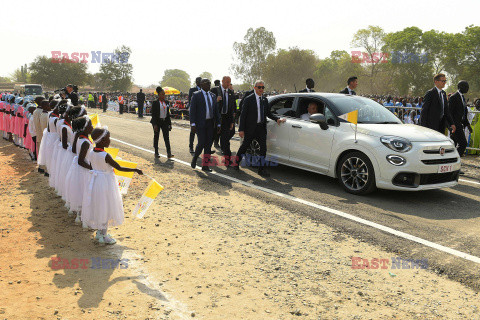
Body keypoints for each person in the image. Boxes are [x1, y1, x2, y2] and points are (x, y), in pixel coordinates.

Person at [81, 127, 143, 245]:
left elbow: (93, 165)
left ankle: (100, 232)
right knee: (106, 206)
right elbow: (119, 167)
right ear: (103, 140)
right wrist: (135, 170)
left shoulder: (91, 152)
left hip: (95, 181)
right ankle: (104, 236)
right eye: (108, 138)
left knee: (99, 206)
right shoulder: (105, 155)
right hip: (106, 182)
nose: (110, 140)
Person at [234, 80, 286, 177]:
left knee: (263, 149)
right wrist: (241, 129)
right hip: (250, 128)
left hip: (261, 128)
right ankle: (236, 163)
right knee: (244, 146)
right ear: (255, 88)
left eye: (263, 87)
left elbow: (268, 113)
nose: (261, 89)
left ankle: (261, 169)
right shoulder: (248, 99)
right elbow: (243, 115)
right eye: (259, 87)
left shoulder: (264, 100)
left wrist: (277, 119)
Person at [64, 115, 94, 225]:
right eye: (90, 125)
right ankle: (84, 217)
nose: (92, 127)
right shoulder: (85, 142)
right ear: (85, 128)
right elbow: (81, 160)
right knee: (85, 191)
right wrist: (92, 167)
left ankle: (80, 215)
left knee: (81, 191)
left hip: (79, 169)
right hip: (84, 170)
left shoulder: (80, 138)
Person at [189, 78, 221, 172]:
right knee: (202, 142)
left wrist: (218, 123)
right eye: (207, 83)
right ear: (202, 84)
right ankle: (195, 158)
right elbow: (192, 111)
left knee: (208, 145)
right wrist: (193, 124)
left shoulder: (213, 95)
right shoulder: (196, 95)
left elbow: (216, 111)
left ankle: (205, 166)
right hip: (200, 123)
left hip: (210, 123)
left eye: (210, 83)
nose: (209, 85)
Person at [449, 80, 472, 157]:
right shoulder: (454, 97)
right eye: (465, 87)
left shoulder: (462, 98)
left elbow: (464, 114)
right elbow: (449, 113)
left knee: (453, 144)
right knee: (463, 143)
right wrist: (451, 125)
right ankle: (455, 158)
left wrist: (468, 125)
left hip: (460, 124)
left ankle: (450, 159)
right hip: (455, 125)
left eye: (468, 87)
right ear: (459, 87)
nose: (467, 89)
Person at [215, 76, 236, 158]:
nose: (228, 84)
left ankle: (227, 158)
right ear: (222, 81)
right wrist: (215, 101)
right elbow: (209, 104)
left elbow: (232, 109)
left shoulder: (231, 92)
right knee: (210, 138)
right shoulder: (215, 90)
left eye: (229, 82)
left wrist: (232, 122)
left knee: (226, 139)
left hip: (226, 119)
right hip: (216, 119)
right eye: (227, 82)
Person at [150, 86, 174, 159]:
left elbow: (167, 114)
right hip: (157, 122)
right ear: (159, 95)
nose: (164, 95)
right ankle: (156, 152)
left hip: (165, 122)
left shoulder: (166, 102)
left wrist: (169, 124)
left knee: (166, 137)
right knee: (156, 137)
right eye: (162, 94)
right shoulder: (155, 103)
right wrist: (154, 125)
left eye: (164, 94)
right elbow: (153, 114)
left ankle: (169, 153)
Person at [188, 77, 202, 153]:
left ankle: (203, 148)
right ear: (196, 82)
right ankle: (191, 147)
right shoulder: (192, 90)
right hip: (194, 113)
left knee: (202, 132)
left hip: (202, 114)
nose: (201, 82)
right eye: (200, 81)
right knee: (193, 131)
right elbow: (190, 101)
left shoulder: (204, 90)